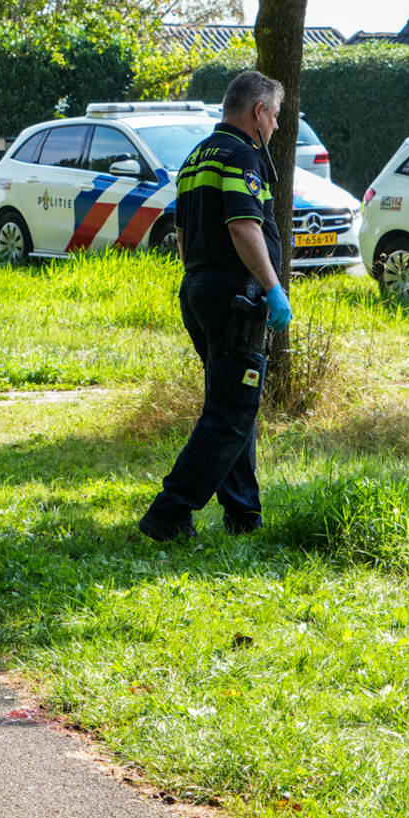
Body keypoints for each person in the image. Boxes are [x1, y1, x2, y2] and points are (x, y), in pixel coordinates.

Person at [135, 70, 293, 543]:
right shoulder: (243, 156)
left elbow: (183, 234)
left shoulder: (196, 156)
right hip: (235, 296)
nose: (278, 128)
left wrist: (203, 281)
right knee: (231, 412)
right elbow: (244, 226)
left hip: (200, 290)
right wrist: (271, 287)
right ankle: (169, 511)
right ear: (259, 111)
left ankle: (243, 516)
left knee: (231, 406)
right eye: (277, 116)